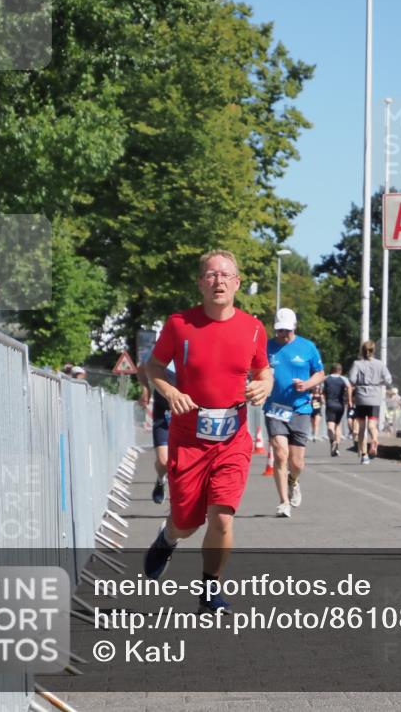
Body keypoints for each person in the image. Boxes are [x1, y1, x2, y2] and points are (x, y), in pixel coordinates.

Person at [142, 249, 272, 613]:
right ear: (201, 283)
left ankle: (210, 590)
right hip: (189, 438)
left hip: (233, 438)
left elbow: (263, 370)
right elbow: (153, 367)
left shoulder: (253, 328)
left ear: (237, 283)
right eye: (211, 275)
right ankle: (168, 538)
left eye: (226, 275)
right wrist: (170, 392)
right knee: (186, 522)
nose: (219, 281)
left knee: (222, 517)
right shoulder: (179, 324)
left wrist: (264, 385)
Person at [263, 308, 325, 518]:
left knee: (297, 463)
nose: (283, 334)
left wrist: (307, 384)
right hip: (275, 408)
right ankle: (283, 502)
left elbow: (320, 373)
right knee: (280, 454)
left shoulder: (307, 347)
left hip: (300, 409)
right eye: (280, 330)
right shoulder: (267, 347)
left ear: (295, 327)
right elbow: (256, 371)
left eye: (287, 330)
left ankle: (293, 480)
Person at [137, 359, 175, 504]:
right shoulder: (163, 351)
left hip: (188, 412)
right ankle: (160, 479)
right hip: (163, 411)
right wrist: (145, 388)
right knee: (163, 461)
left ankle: (180, 502)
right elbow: (142, 367)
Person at [347, 340, 392, 465]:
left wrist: (359, 383)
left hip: (361, 397)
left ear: (362, 351)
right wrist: (379, 382)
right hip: (375, 397)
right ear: (374, 350)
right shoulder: (380, 364)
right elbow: (389, 380)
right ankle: (375, 439)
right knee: (372, 425)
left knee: (362, 428)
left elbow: (351, 379)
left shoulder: (357, 364)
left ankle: (364, 455)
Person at [322, 363, 350, 457]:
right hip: (340, 405)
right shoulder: (344, 379)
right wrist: (349, 400)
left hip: (330, 404)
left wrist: (323, 400)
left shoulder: (326, 378)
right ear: (340, 371)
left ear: (331, 370)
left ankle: (332, 440)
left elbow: (322, 391)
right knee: (338, 426)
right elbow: (349, 387)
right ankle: (337, 446)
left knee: (330, 426)